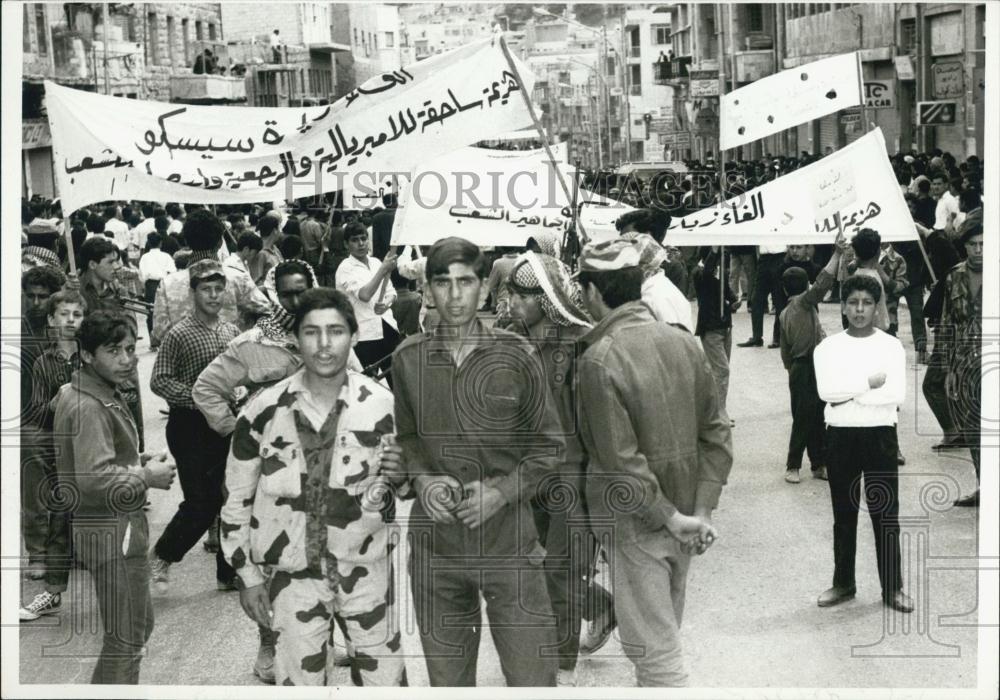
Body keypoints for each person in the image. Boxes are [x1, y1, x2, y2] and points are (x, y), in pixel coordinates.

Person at [392, 237, 564, 686]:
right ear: (427, 290)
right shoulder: (408, 359)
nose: (454, 295)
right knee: (448, 683)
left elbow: (549, 448)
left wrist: (500, 492)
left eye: (465, 282)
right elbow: (407, 436)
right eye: (442, 283)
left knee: (534, 679)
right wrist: (423, 478)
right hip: (438, 551)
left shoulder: (517, 355)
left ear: (484, 290)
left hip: (510, 545)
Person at [221, 288, 406, 686]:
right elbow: (235, 500)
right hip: (292, 582)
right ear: (296, 338)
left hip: (367, 572)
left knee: (386, 686)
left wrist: (403, 475)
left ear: (354, 336)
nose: (324, 345)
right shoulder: (263, 411)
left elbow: (403, 489)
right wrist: (247, 576)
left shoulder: (383, 406)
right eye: (311, 332)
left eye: (336, 331)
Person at [574, 239, 732, 686]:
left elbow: (620, 461)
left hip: (637, 521)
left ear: (590, 292)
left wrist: (671, 517)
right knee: (662, 639)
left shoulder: (599, 359)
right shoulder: (684, 344)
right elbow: (717, 435)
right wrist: (698, 513)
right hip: (683, 517)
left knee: (658, 660)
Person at [51, 311, 176, 683]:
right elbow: (91, 478)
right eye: (113, 351)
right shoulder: (88, 404)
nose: (126, 359)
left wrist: (135, 460)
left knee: (134, 630)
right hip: (111, 530)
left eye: (128, 348)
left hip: (112, 529)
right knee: (128, 638)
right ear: (88, 356)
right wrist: (145, 475)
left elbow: (95, 460)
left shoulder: (91, 391)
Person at [506, 251, 600, 687]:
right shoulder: (511, 341)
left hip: (570, 474)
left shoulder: (580, 344)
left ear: (543, 298)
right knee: (528, 561)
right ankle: (600, 609)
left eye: (521, 295)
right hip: (526, 472)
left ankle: (561, 660)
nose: (511, 302)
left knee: (563, 567)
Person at [813, 275, 913, 614]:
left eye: (866, 303)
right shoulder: (828, 348)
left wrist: (848, 393)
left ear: (877, 307)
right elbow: (826, 392)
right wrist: (869, 383)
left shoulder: (890, 346)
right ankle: (843, 583)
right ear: (842, 306)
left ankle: (893, 587)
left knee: (886, 515)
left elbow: (895, 395)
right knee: (844, 513)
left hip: (880, 435)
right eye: (853, 302)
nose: (859, 309)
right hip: (840, 436)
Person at [148, 260, 241, 594]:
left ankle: (229, 572)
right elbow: (159, 380)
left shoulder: (231, 331)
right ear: (193, 293)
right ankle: (161, 556)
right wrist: (198, 398)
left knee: (233, 497)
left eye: (219, 288)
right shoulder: (179, 334)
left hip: (225, 426)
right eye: (206, 289)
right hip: (190, 428)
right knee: (201, 504)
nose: (214, 295)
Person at [19, 291, 86, 614]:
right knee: (60, 519)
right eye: (63, 314)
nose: (70, 320)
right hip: (63, 454)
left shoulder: (93, 355)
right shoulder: (44, 363)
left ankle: (120, 587)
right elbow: (37, 414)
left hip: (94, 449)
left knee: (105, 518)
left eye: (77, 314)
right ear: (50, 320)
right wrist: (56, 403)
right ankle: (53, 590)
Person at [778, 234, 847, 484]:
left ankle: (819, 464)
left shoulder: (785, 312)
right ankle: (793, 465)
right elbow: (823, 283)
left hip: (800, 368)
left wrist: (791, 370)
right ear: (806, 286)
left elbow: (784, 350)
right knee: (806, 419)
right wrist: (837, 254)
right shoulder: (804, 304)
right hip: (807, 367)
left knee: (815, 416)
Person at [152, 209, 270, 347]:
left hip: (186, 363)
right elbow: (268, 313)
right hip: (232, 360)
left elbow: (159, 333)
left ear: (187, 241)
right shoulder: (238, 278)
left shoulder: (168, 284)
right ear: (220, 242)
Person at [940, 224, 983, 507]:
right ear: (964, 247)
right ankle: (985, 486)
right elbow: (947, 324)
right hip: (966, 365)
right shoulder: (954, 275)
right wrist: (949, 369)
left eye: (983, 244)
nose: (978, 250)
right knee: (973, 429)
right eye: (972, 245)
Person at [335, 222, 400, 382]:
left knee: (397, 381)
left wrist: (387, 304)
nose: (361, 243)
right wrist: (383, 269)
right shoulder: (345, 268)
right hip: (363, 335)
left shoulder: (376, 262)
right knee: (367, 384)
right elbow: (364, 295)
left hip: (387, 327)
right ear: (346, 244)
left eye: (364, 238)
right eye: (355, 240)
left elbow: (391, 292)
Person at [692, 247, 739, 421]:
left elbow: (726, 290)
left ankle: (717, 411)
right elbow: (707, 273)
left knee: (719, 373)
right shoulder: (699, 273)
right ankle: (719, 415)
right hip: (711, 329)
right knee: (722, 371)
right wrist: (714, 250)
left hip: (725, 326)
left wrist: (734, 300)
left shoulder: (720, 273)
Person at [138, 233, 176, 341]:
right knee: (166, 311)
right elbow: (172, 271)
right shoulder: (166, 256)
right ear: (160, 243)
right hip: (165, 283)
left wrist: (144, 287)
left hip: (150, 285)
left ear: (149, 243)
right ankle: (166, 338)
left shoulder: (145, 257)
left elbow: (142, 275)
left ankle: (153, 340)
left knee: (150, 312)